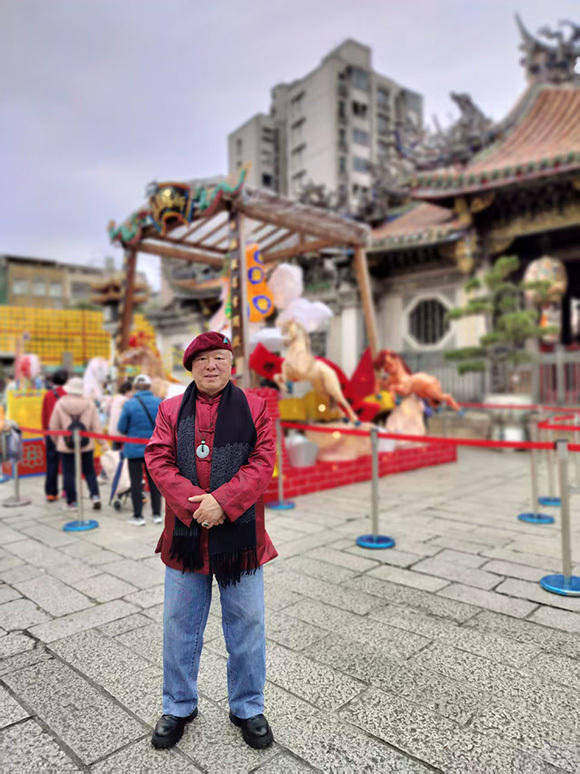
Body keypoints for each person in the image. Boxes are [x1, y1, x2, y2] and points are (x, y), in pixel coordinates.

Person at [145, 331, 276, 751]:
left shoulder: (255, 407)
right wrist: (195, 504)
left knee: (248, 624)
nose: (211, 365)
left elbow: (263, 462)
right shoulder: (169, 409)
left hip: (240, 538)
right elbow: (158, 459)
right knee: (179, 626)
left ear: (231, 363)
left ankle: (248, 706)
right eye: (202, 359)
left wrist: (223, 502)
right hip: (185, 539)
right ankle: (178, 705)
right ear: (190, 367)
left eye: (219, 357)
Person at [49, 376, 101, 510]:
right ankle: (95, 495)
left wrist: (57, 441)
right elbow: (96, 426)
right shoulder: (90, 404)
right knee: (89, 471)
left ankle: (72, 502)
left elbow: (53, 426)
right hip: (86, 443)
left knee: (68, 474)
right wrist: (102, 443)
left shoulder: (60, 403)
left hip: (66, 444)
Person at [118, 373, 162, 526]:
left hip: (134, 449)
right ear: (149, 387)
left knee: (136, 483)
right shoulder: (159, 402)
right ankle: (157, 515)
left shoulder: (129, 404)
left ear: (135, 387)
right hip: (154, 449)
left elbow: (121, 427)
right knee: (154, 482)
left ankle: (138, 516)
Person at [41, 368, 68, 502]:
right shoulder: (68, 394)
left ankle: (51, 493)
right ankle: (66, 490)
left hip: (51, 432)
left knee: (52, 462)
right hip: (66, 432)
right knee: (67, 462)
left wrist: (44, 433)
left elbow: (44, 415)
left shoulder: (48, 395)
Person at [107, 379, 132, 451]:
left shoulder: (114, 398)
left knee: (115, 451)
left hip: (112, 430)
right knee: (124, 452)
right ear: (127, 391)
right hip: (121, 432)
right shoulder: (126, 401)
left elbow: (108, 412)